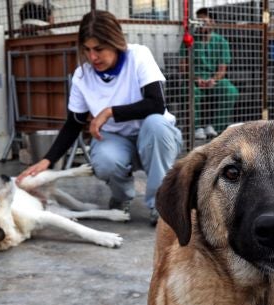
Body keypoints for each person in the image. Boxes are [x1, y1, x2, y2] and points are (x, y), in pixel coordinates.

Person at [17, 10, 182, 225]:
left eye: (99, 49)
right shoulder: (82, 76)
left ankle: (161, 206)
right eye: (86, 49)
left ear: (115, 43)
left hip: (153, 137)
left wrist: (110, 111)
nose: (92, 57)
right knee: (104, 159)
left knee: (156, 125)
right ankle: (121, 197)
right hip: (117, 140)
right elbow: (74, 123)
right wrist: (47, 160)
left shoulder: (139, 55)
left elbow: (156, 103)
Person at [184, 8, 239, 140]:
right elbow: (183, 65)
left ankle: (215, 127)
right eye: (197, 21)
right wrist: (196, 79)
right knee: (190, 90)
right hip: (195, 80)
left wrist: (213, 80)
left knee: (230, 90)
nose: (200, 24)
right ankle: (196, 128)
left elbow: (222, 69)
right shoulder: (189, 40)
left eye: (203, 21)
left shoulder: (221, 42)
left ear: (213, 22)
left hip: (214, 81)